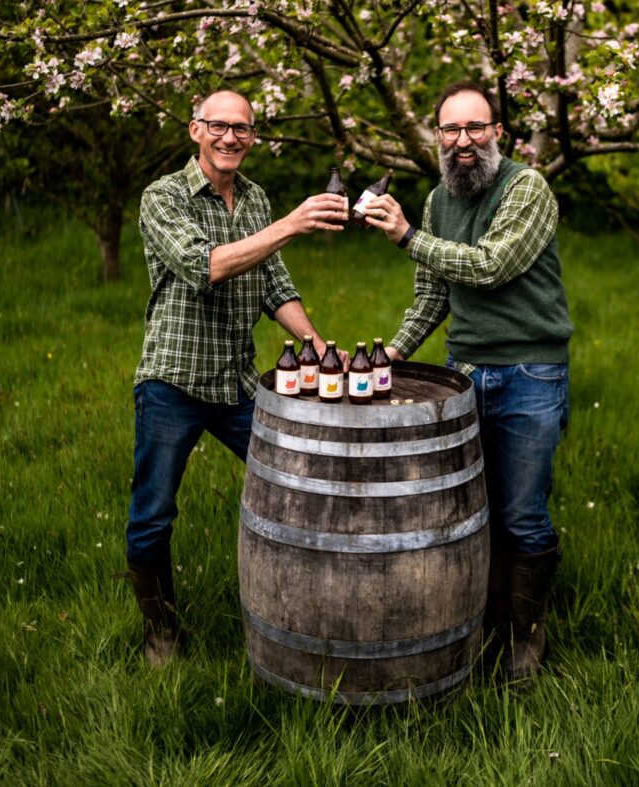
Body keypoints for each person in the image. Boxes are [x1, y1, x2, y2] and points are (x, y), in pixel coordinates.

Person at [126, 89, 349, 666]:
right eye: (219, 127)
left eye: (242, 130)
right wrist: (292, 224)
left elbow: (273, 283)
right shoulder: (163, 197)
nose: (231, 138)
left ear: (253, 138)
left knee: (295, 483)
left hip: (237, 383)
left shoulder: (254, 199)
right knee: (153, 514)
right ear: (195, 130)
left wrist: (319, 347)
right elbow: (206, 267)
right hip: (172, 382)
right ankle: (161, 630)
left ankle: (298, 610)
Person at [362, 81, 573, 684]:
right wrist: (393, 355)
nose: (463, 142)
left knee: (521, 513)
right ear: (438, 136)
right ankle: (478, 625)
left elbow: (490, 266)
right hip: (463, 375)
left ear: (497, 133)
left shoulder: (526, 188)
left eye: (475, 128)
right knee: (467, 508)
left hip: (530, 370)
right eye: (450, 130)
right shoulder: (437, 202)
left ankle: (524, 642)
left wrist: (405, 236)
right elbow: (434, 294)